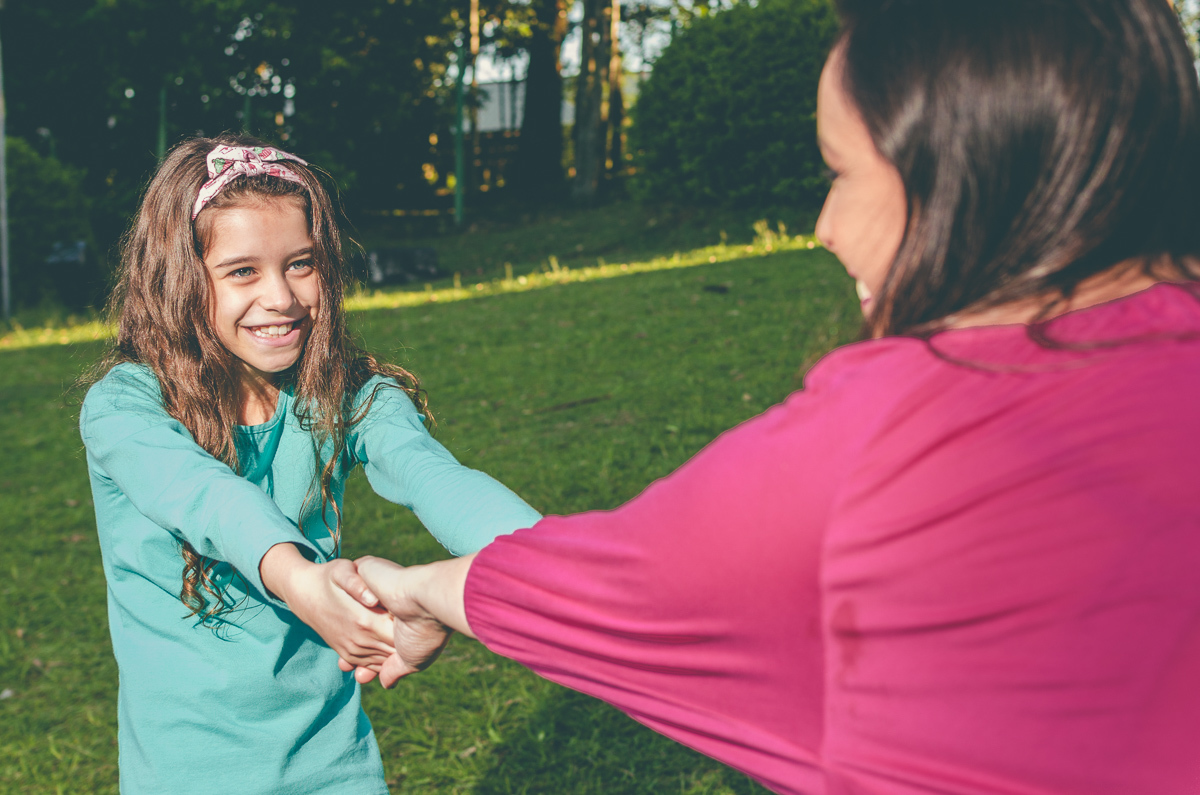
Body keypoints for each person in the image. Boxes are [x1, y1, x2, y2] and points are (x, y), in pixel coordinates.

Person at [346, 1, 1200, 793]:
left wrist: (418, 590)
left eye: (841, 172)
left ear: (963, 175)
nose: (825, 225)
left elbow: (614, 591)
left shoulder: (895, 435)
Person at [79, 135, 541, 794]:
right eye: (242, 271)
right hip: (185, 774)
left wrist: (551, 564)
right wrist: (300, 581)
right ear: (179, 280)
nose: (281, 297)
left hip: (332, 765)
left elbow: (432, 475)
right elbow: (207, 497)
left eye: (301, 264)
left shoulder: (347, 394)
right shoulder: (125, 407)